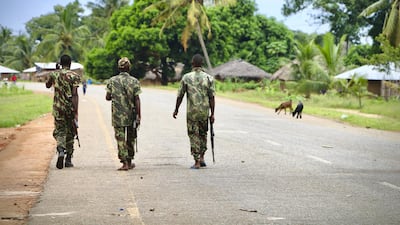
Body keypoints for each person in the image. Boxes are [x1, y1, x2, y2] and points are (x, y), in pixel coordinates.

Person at [173, 54, 215, 169]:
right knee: (203, 134)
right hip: (204, 112)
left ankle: (196, 161)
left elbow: (180, 95)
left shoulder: (186, 77)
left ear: (192, 64)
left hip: (192, 112)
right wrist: (212, 114)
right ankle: (202, 157)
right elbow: (212, 97)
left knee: (193, 135)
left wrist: (176, 109)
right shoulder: (208, 78)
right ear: (202, 64)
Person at [105, 57, 141, 171]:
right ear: (129, 68)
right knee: (130, 138)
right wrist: (139, 115)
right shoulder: (134, 81)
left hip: (117, 115)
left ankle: (124, 162)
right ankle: (130, 161)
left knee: (120, 139)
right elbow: (137, 99)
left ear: (118, 68)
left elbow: (107, 97)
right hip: (131, 114)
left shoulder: (112, 80)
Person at [46, 55, 81, 169]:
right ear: (70, 63)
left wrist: (56, 70)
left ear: (60, 63)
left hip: (58, 109)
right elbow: (75, 94)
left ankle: (61, 149)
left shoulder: (54, 74)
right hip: (69, 109)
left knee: (60, 131)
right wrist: (75, 111)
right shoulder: (74, 76)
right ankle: (68, 159)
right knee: (71, 132)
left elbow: (47, 85)